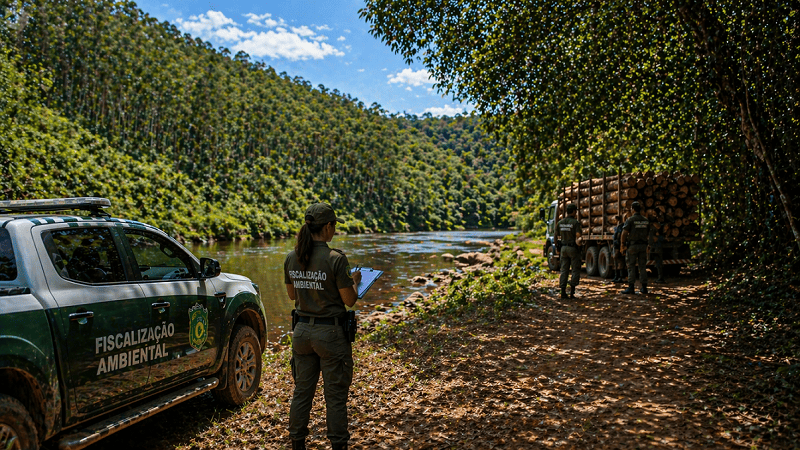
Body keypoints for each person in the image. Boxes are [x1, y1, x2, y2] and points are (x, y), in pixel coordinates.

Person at [284, 202, 362, 450]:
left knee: (302, 392)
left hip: (302, 333)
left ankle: (297, 443)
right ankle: (338, 445)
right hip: (330, 334)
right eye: (334, 226)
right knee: (335, 397)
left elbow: (291, 295)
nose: (335, 230)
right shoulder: (336, 259)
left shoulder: (291, 257)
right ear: (327, 227)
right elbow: (349, 300)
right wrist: (356, 282)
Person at [620, 201, 650, 294]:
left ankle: (631, 287)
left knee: (631, 266)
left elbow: (624, 233)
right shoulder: (645, 220)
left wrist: (622, 244)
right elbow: (648, 233)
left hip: (632, 246)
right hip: (643, 246)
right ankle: (644, 287)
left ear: (632, 209)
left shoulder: (630, 220)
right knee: (642, 266)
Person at [555, 203, 581, 299]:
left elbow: (555, 235)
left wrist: (557, 246)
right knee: (575, 269)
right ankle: (572, 291)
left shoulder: (560, 222)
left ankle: (563, 292)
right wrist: (579, 244)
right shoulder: (575, 222)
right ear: (574, 211)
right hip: (572, 248)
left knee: (564, 270)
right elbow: (578, 236)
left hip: (563, 248)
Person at [648, 213, 667, 284]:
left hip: (657, 247)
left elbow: (658, 238)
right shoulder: (652, 228)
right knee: (658, 263)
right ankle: (660, 277)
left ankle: (660, 278)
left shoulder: (657, 228)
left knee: (659, 263)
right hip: (654, 247)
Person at [611, 214, 625, 283]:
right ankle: (617, 276)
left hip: (618, 247)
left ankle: (620, 277)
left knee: (620, 262)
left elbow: (619, 237)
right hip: (617, 246)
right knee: (617, 262)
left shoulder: (621, 227)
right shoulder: (619, 227)